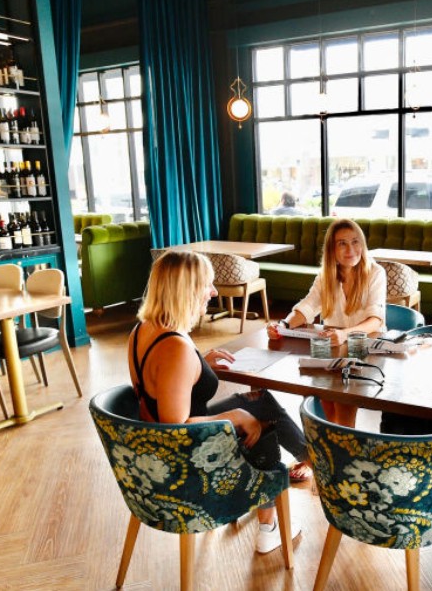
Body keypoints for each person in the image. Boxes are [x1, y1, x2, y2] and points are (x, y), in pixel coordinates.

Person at [128, 250, 307, 554]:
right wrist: (234, 417)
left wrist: (201, 363)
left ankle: (311, 460)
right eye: (206, 285)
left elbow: (163, 383)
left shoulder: (143, 330)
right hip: (186, 460)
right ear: (185, 289)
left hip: (157, 444)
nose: (213, 292)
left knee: (260, 402)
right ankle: (270, 525)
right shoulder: (175, 348)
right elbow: (177, 427)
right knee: (260, 425)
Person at [266, 218, 386, 427]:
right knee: (326, 406)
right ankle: (334, 451)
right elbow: (307, 307)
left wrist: (345, 334)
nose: (351, 249)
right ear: (332, 249)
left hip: (365, 351)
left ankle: (342, 450)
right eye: (342, 243)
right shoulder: (325, 276)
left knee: (342, 405)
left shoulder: (376, 272)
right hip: (332, 350)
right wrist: (283, 325)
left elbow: (375, 321)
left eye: (355, 242)